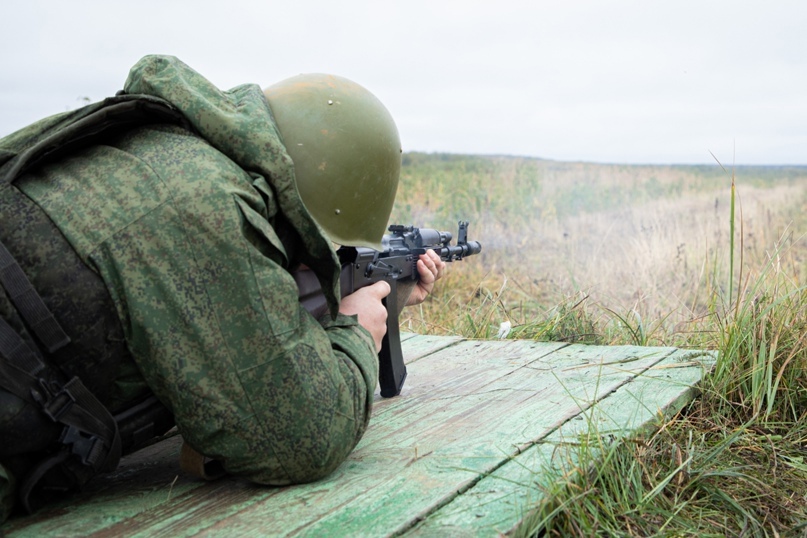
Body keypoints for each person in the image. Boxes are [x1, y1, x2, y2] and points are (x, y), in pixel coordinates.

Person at [0, 55, 445, 522]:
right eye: (324, 248)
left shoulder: (166, 148)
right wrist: (356, 330)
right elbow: (300, 437)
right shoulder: (207, 208)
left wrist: (386, 297)